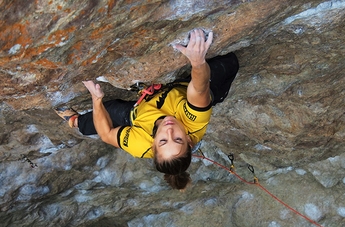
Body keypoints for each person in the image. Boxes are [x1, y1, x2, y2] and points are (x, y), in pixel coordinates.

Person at [55, 29, 239, 190]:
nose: (169, 130)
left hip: (140, 114)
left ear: (153, 145)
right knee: (230, 62)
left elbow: (106, 134)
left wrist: (96, 99)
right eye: (177, 139)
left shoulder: (140, 146)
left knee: (109, 110)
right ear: (189, 140)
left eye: (163, 141)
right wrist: (197, 62)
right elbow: (199, 88)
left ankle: (77, 122)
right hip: (198, 90)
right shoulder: (194, 121)